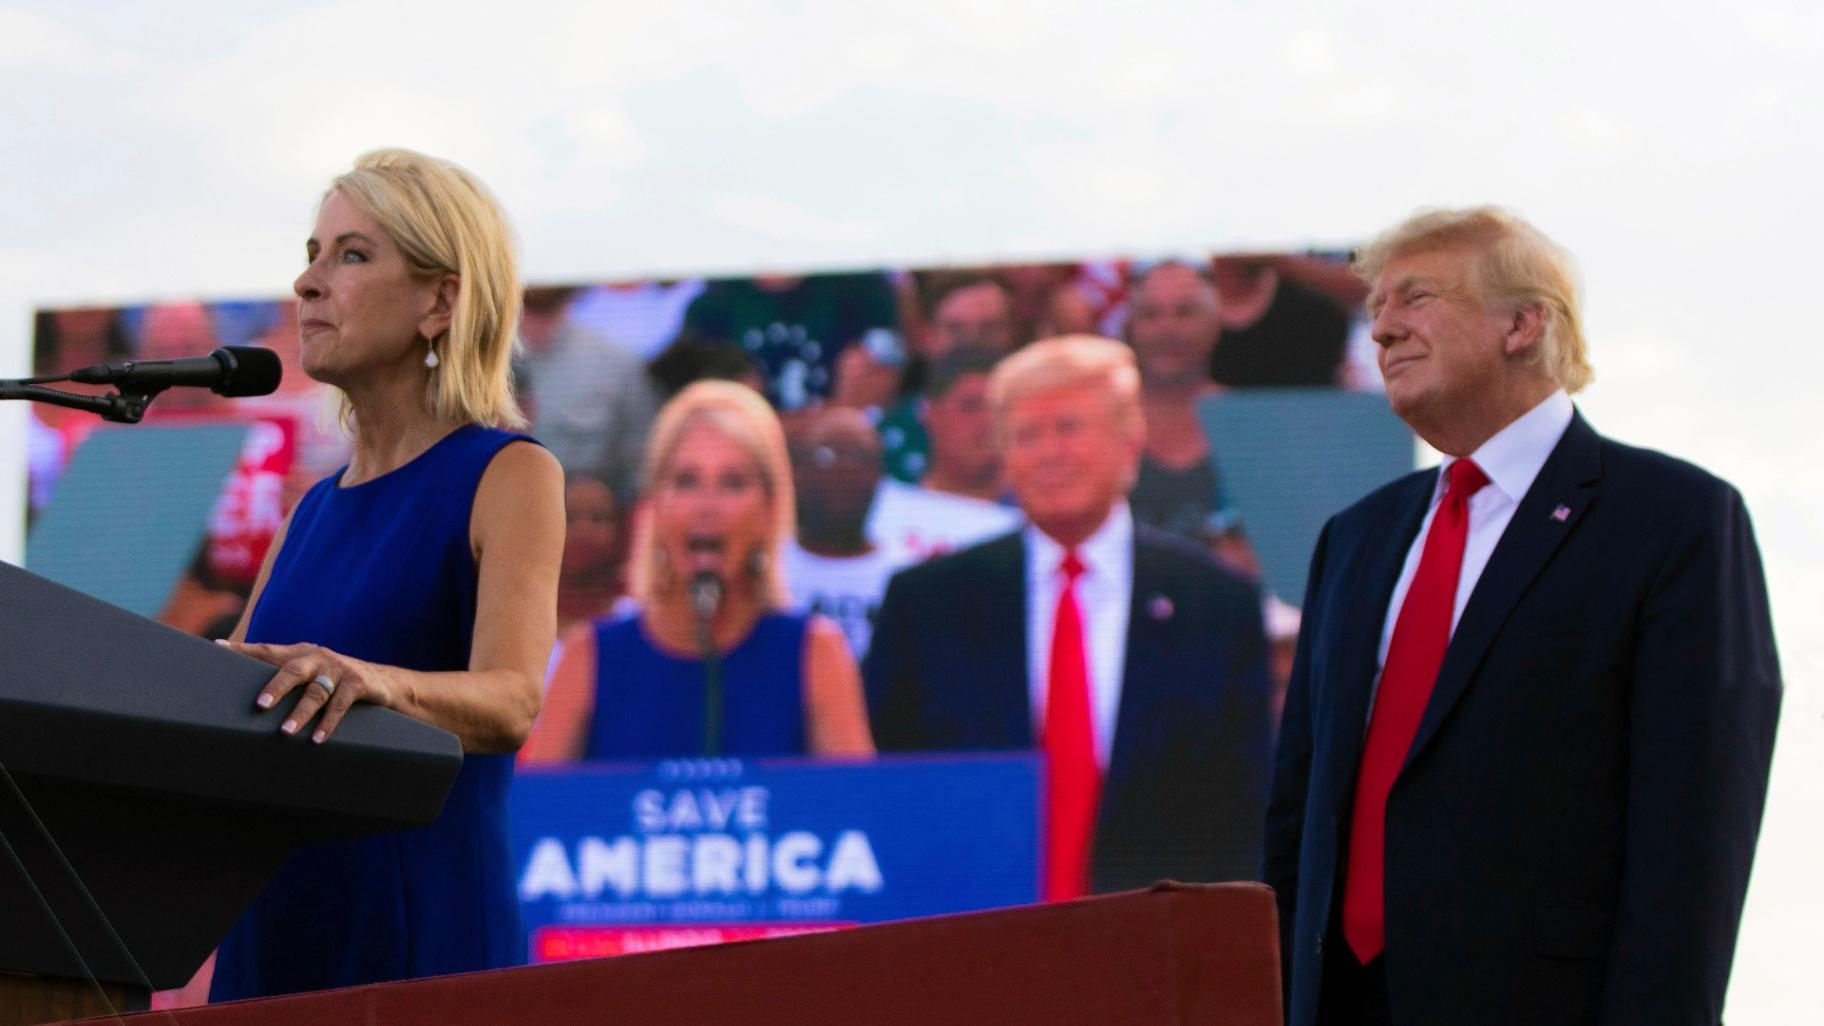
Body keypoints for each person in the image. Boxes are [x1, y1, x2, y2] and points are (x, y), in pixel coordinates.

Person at [1261, 207, 1781, 1026]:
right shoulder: (1355, 537)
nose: (1384, 333)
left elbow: (1694, 840)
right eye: (1375, 314)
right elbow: (1298, 815)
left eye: (1415, 299)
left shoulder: (1674, 519)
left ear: (1523, 322)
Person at [207, 149, 565, 1000]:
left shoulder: (509, 473)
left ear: (441, 301)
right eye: (312, 252)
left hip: (423, 935)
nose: (307, 283)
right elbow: (232, 699)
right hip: (275, 931)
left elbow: (513, 699)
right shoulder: (310, 512)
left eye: (351, 254)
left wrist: (371, 682)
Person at [865, 335, 1273, 897]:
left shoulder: (1216, 602)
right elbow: (894, 788)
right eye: (1027, 435)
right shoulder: (926, 602)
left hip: (1160, 945)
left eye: (1070, 428)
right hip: (975, 938)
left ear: (1130, 441)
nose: (1050, 453)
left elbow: (1246, 802)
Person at [522, 380, 875, 761]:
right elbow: (539, 814)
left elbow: (858, 811)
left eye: (733, 483)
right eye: (686, 481)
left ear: (769, 510)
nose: (707, 507)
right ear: (654, 506)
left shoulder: (816, 653)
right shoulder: (588, 657)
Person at [867, 346, 1022, 561]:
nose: (987, 422)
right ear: (930, 413)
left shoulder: (1036, 518)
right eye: (970, 406)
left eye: (998, 409)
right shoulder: (883, 508)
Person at [782, 406, 908, 662]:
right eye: (825, 457)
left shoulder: (908, 575)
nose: (841, 471)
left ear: (879, 475)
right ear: (795, 472)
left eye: (858, 458)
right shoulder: (765, 568)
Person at [1124, 261, 1237, 540]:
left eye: (1185, 312)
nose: (1167, 328)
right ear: (1132, 326)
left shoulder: (1248, 425)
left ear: (1216, 321)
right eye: (1151, 314)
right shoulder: (1101, 423)